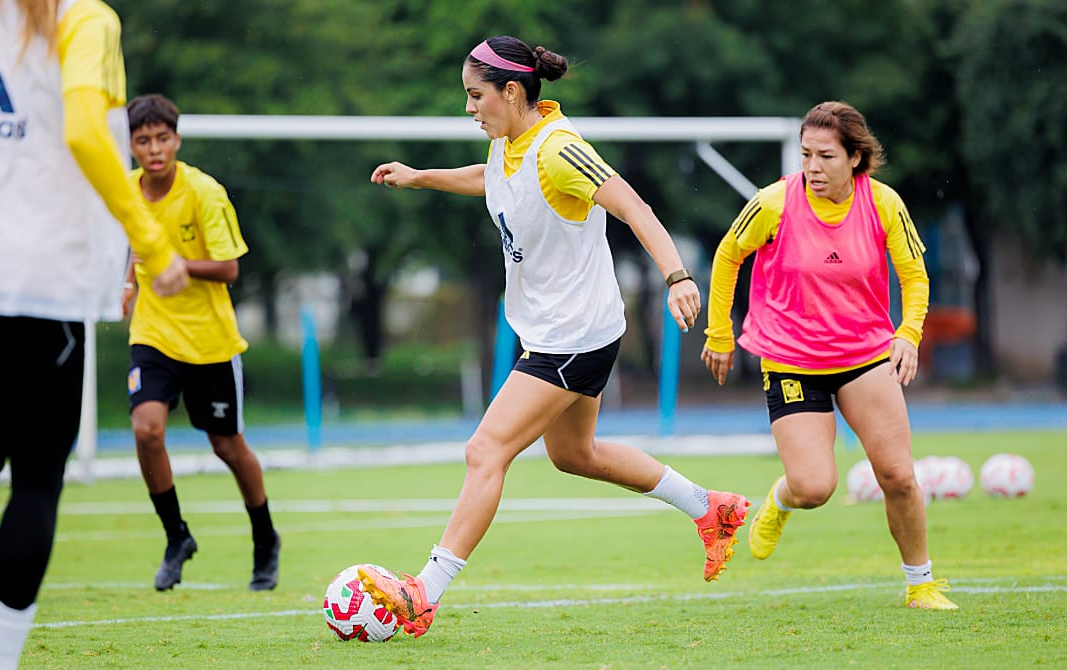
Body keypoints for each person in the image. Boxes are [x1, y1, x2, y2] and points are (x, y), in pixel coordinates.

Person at [357, 35, 751, 638]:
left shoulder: (559, 148)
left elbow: (633, 206)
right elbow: (488, 179)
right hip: (561, 329)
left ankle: (424, 591)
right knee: (574, 455)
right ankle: (709, 508)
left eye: (475, 96)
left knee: (484, 451)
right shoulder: (509, 144)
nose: (469, 108)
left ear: (512, 93)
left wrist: (676, 275)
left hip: (573, 336)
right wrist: (420, 178)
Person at [0, 0, 189, 670]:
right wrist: (152, 243)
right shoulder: (86, 18)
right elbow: (83, 130)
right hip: (37, 283)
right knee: (36, 481)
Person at [700, 101, 957, 610]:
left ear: (855, 159)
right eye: (806, 156)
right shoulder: (774, 202)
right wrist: (719, 333)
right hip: (791, 358)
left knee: (899, 476)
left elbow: (914, 276)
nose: (813, 168)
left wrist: (908, 333)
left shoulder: (883, 203)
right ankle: (780, 499)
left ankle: (921, 585)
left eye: (826, 157)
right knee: (814, 486)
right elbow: (729, 254)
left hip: (864, 355)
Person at [121, 93, 281, 593]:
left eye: (162, 139)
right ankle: (177, 537)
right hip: (152, 333)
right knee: (147, 430)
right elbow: (132, 242)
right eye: (143, 141)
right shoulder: (125, 189)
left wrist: (175, 265)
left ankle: (265, 538)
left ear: (177, 140)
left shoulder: (204, 192)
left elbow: (229, 268)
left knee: (228, 447)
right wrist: (130, 282)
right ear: (131, 146)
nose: (154, 149)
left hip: (209, 342)